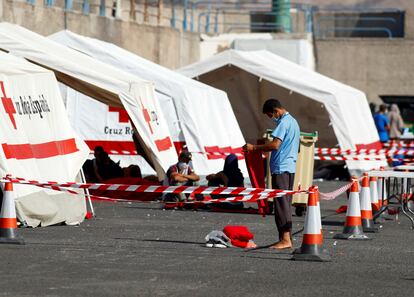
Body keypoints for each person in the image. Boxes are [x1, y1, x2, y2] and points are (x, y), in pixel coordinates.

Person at [243, 98, 300, 250]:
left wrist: (254, 148)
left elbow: (275, 145)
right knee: (285, 203)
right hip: (290, 167)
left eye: (270, 115)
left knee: (281, 205)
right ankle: (285, 238)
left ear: (276, 111)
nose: (271, 118)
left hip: (281, 167)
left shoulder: (284, 123)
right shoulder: (294, 122)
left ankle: (285, 239)